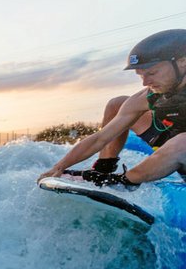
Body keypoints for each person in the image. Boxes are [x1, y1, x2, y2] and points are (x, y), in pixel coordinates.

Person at [38, 29, 186, 188]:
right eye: (140, 75)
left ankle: (123, 182)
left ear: (182, 62)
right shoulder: (150, 96)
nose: (145, 82)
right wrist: (59, 167)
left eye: (152, 73)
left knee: (182, 141)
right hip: (171, 139)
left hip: (181, 147)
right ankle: (102, 171)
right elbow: (100, 138)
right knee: (117, 103)